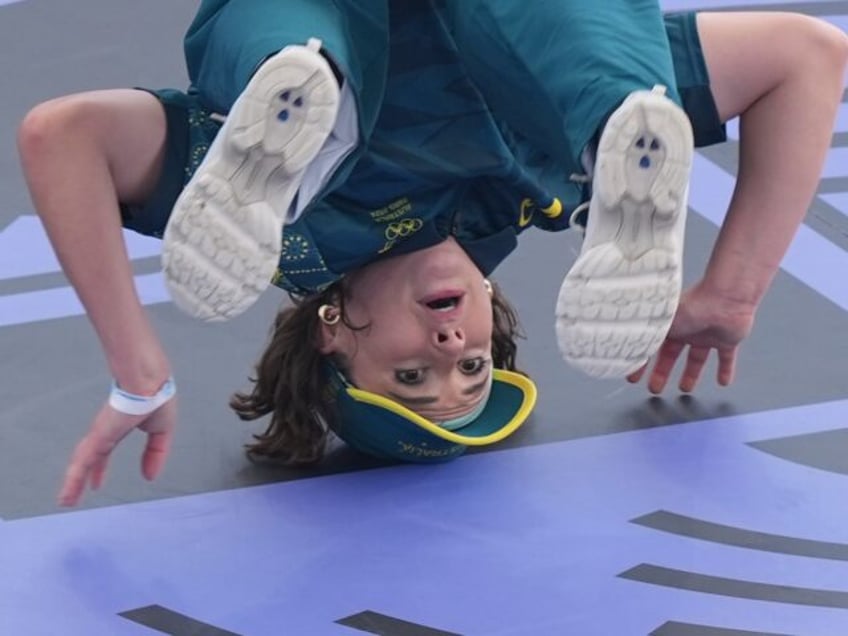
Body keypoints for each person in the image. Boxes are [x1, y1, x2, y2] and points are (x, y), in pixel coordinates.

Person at [16, 0, 848, 506]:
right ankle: (622, 120)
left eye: (411, 377)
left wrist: (137, 368)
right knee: (567, 49)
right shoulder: (534, 186)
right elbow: (808, 58)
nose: (452, 353)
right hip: (522, 49)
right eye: (475, 370)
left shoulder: (282, 241)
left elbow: (64, 136)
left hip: (321, 48)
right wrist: (733, 294)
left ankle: (302, 95)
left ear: (332, 335)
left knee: (278, 35)